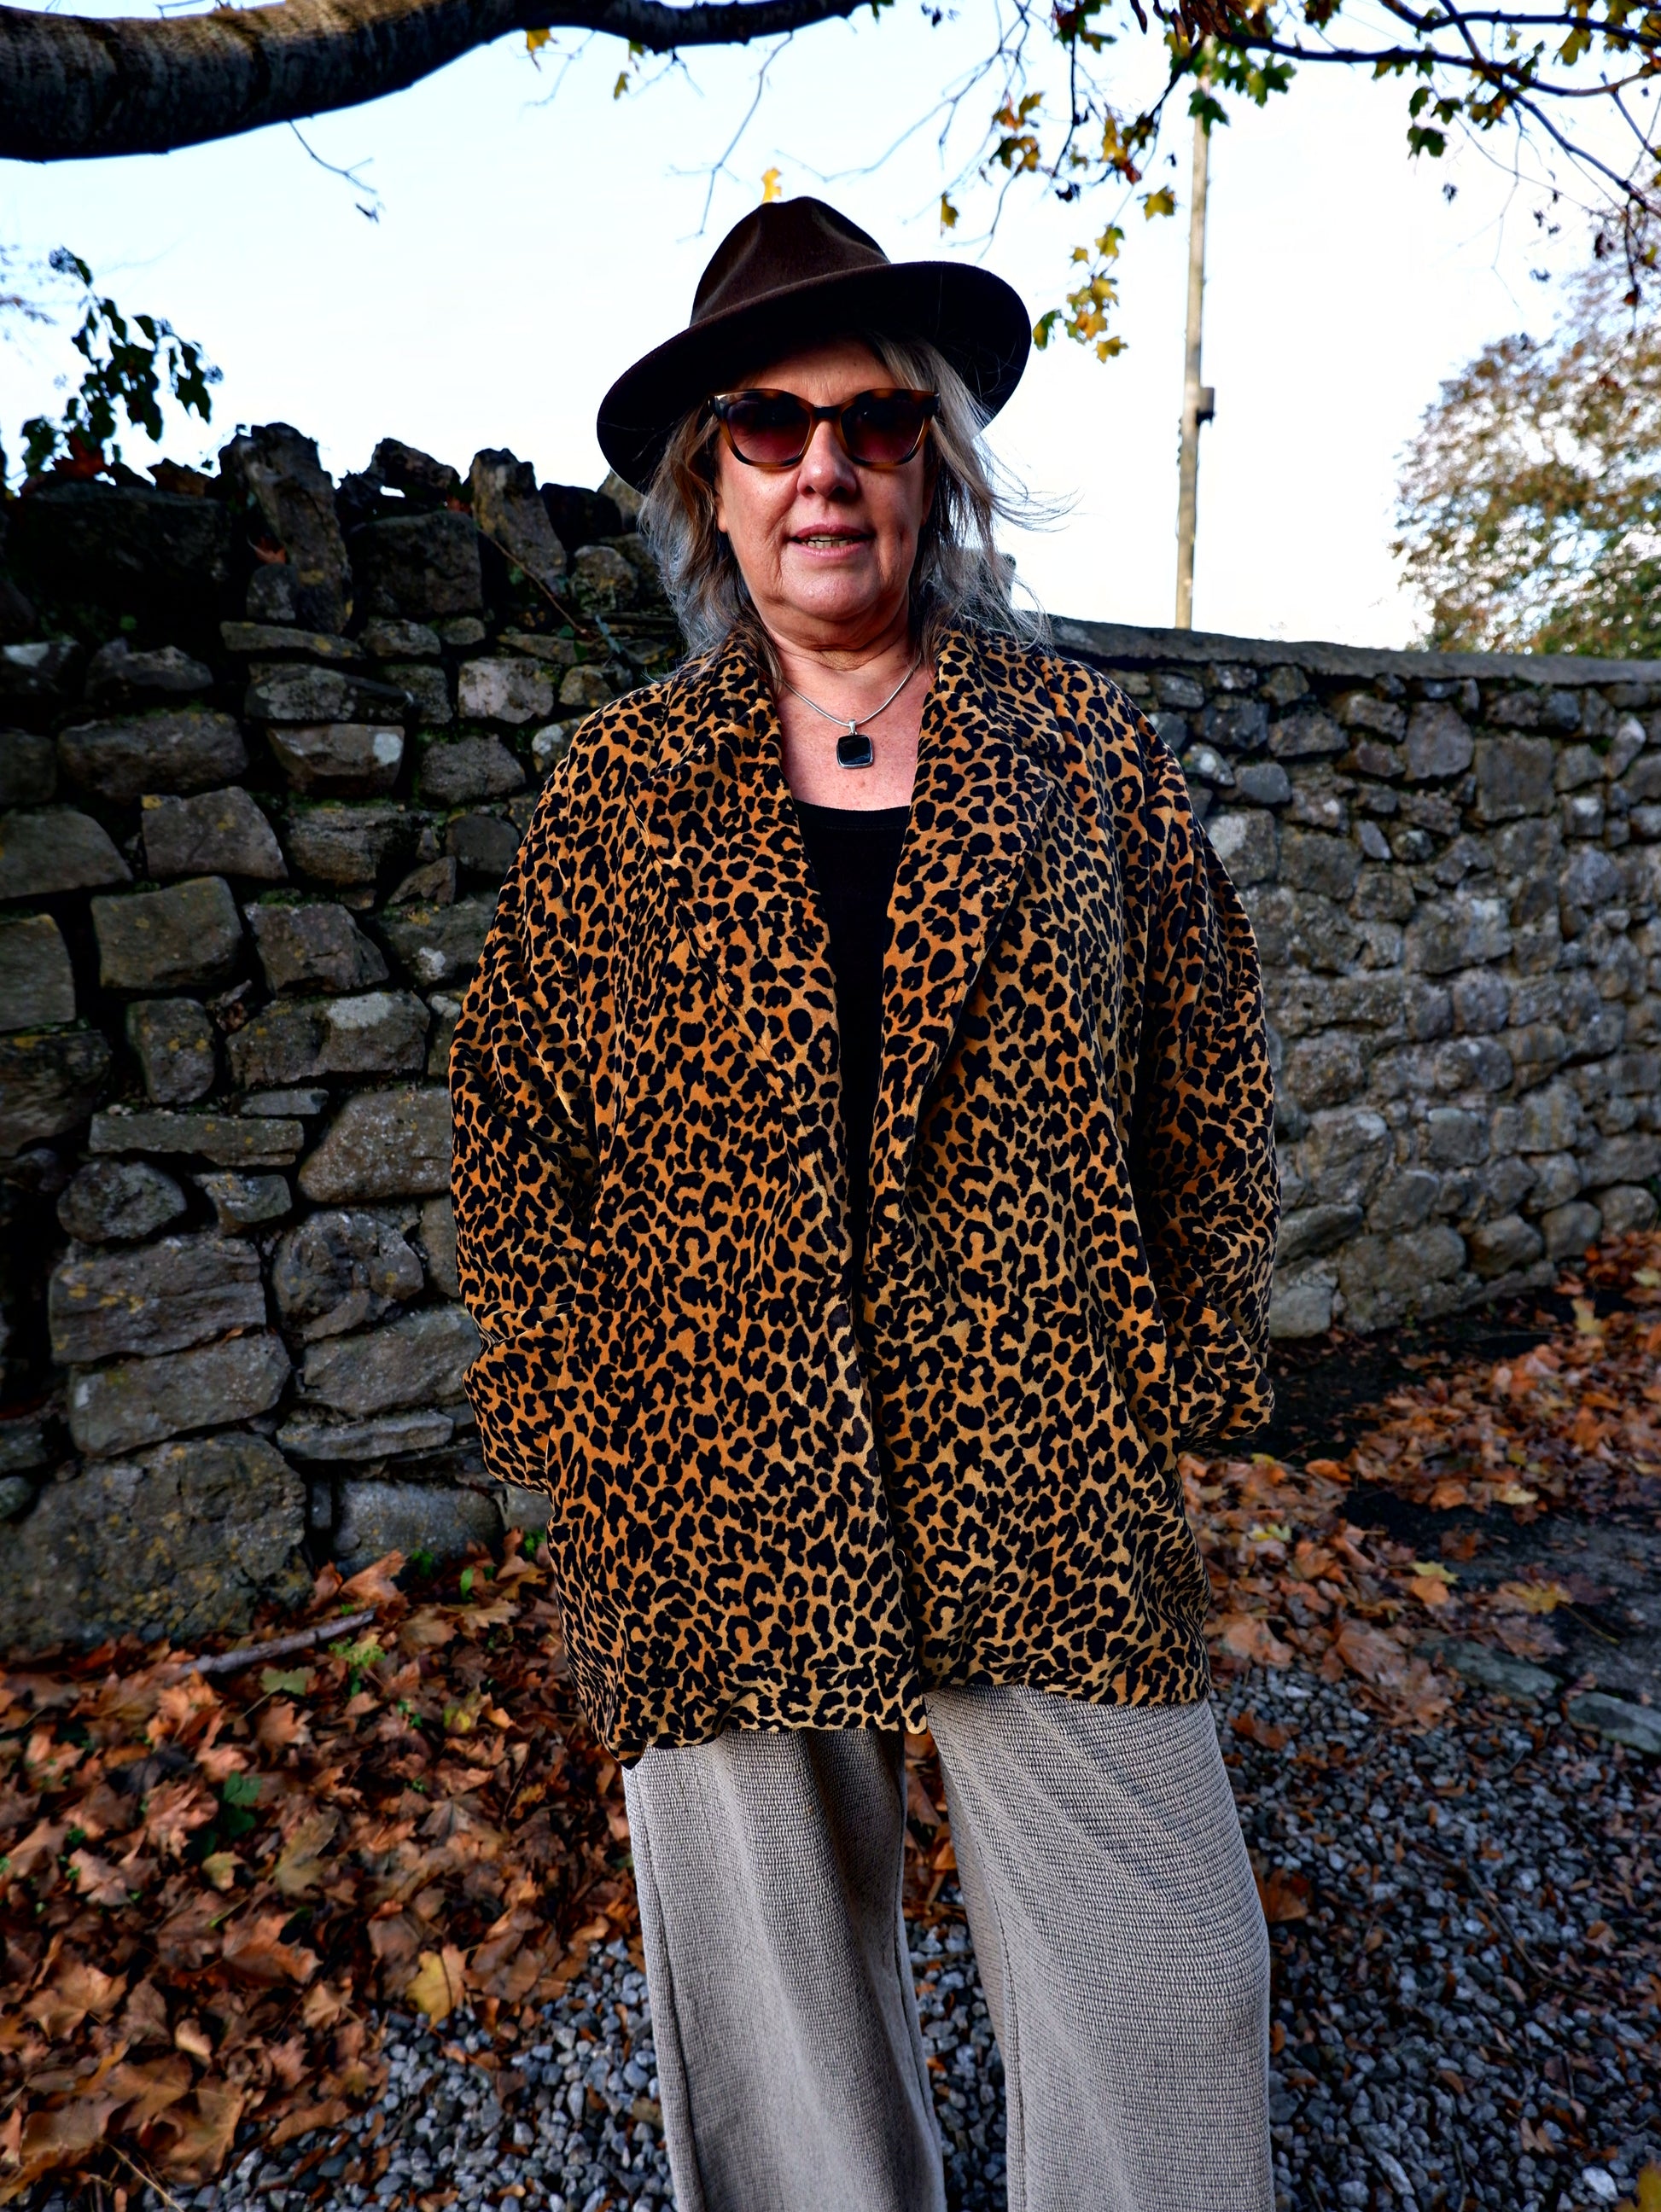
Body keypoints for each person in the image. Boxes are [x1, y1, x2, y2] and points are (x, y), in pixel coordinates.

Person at [451, 195, 1280, 2212]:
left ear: (934, 462)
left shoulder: (1083, 761)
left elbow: (1207, 1079)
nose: (821, 464)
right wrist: (584, 1431)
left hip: (1044, 1460)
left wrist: (1171, 1373)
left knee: (1176, 1993)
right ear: (710, 485)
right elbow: (512, 1132)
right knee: (780, 2045)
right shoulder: (615, 794)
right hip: (709, 1477)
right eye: (769, 424)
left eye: (872, 421)